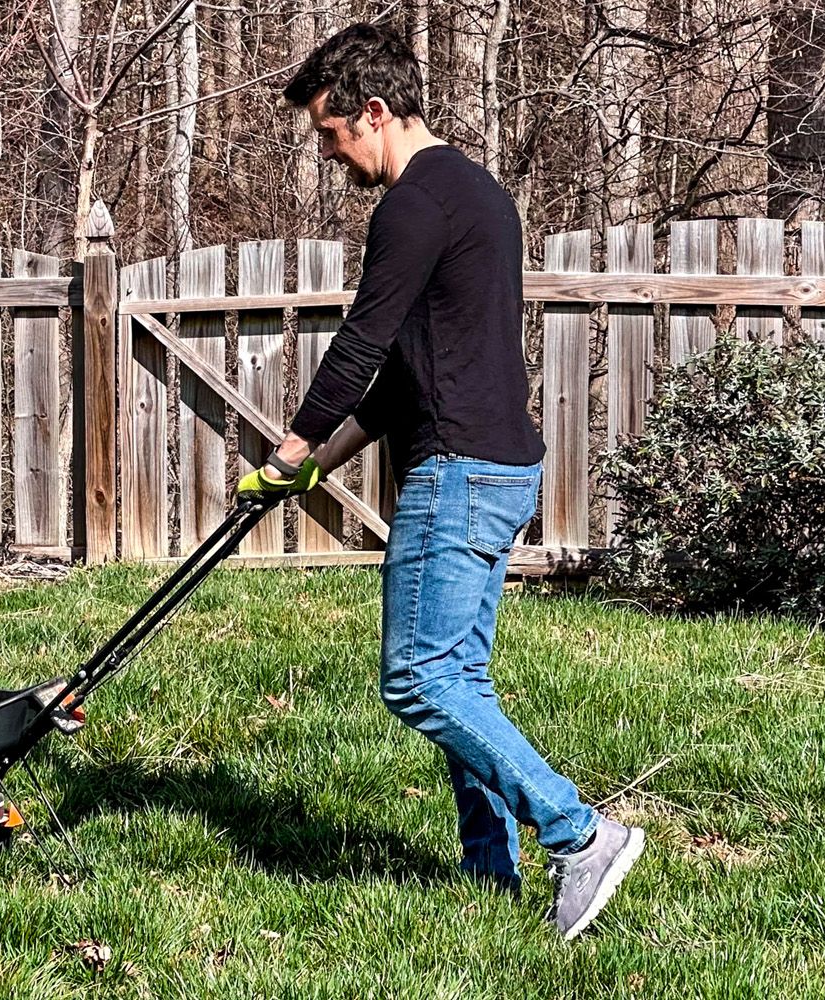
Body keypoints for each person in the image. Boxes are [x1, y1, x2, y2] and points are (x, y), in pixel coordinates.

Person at [235, 23, 645, 940]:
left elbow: (360, 344)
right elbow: (411, 372)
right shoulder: (481, 196)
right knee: (459, 675)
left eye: (332, 135)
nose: (330, 156)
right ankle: (488, 872)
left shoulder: (414, 206)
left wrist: (292, 444)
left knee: (418, 678)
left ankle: (581, 837)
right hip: (499, 465)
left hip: (460, 472)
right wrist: (317, 468)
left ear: (373, 112)